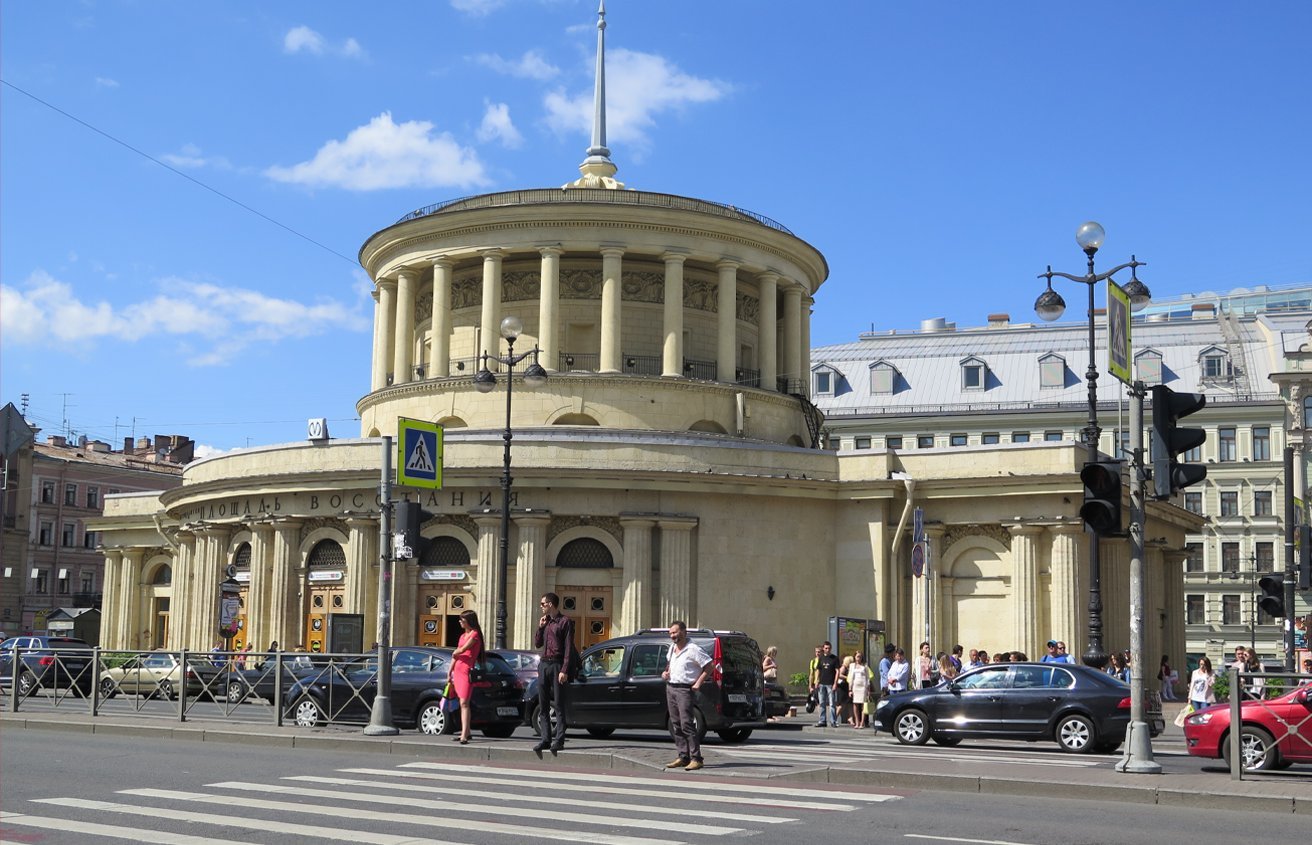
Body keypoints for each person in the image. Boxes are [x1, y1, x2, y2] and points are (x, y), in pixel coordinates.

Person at [662, 620, 712, 771]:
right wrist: (666, 673)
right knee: (675, 724)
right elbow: (670, 664)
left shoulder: (693, 649)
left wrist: (698, 683)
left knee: (687, 724)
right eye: (670, 633)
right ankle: (683, 756)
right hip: (671, 687)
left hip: (684, 689)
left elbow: (709, 666)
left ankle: (696, 758)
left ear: (684, 632)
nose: (672, 636)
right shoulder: (672, 648)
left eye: (675, 632)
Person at [533, 591, 578, 757]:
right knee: (543, 704)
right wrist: (540, 627)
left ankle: (559, 740)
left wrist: (564, 670)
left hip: (557, 664)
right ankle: (545, 738)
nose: (541, 607)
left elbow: (568, 648)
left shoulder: (564, 622)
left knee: (558, 704)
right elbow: (537, 643)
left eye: (543, 604)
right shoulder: (546, 622)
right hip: (544, 664)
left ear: (551, 604)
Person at [449, 609, 484, 744]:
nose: (459, 622)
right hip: (458, 671)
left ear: (468, 621)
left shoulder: (474, 635)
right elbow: (456, 656)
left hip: (467, 671)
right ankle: (466, 732)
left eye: (462, 620)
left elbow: (462, 651)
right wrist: (449, 671)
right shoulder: (462, 636)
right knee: (461, 703)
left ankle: (464, 734)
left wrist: (455, 652)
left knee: (464, 703)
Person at [811, 641, 840, 727]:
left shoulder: (834, 658)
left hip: (830, 684)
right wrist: (816, 681)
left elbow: (837, 671)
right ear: (823, 649)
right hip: (821, 683)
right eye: (826, 648)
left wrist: (835, 683)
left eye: (829, 648)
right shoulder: (821, 658)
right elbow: (818, 670)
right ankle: (822, 721)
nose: (827, 650)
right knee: (822, 703)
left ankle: (833, 721)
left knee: (831, 703)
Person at [848, 652, 872, 728]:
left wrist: (868, 689)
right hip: (855, 686)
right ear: (854, 657)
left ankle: (862, 722)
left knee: (863, 705)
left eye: (860, 657)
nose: (859, 658)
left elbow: (867, 678)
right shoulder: (852, 666)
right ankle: (857, 722)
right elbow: (850, 678)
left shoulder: (865, 666)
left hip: (863, 687)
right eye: (857, 656)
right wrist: (850, 689)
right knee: (855, 704)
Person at [835, 656, 852, 726]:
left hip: (846, 688)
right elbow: (839, 675)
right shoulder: (843, 667)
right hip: (842, 688)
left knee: (849, 704)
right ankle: (834, 717)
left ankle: (850, 718)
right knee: (841, 705)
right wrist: (847, 677)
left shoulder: (848, 668)